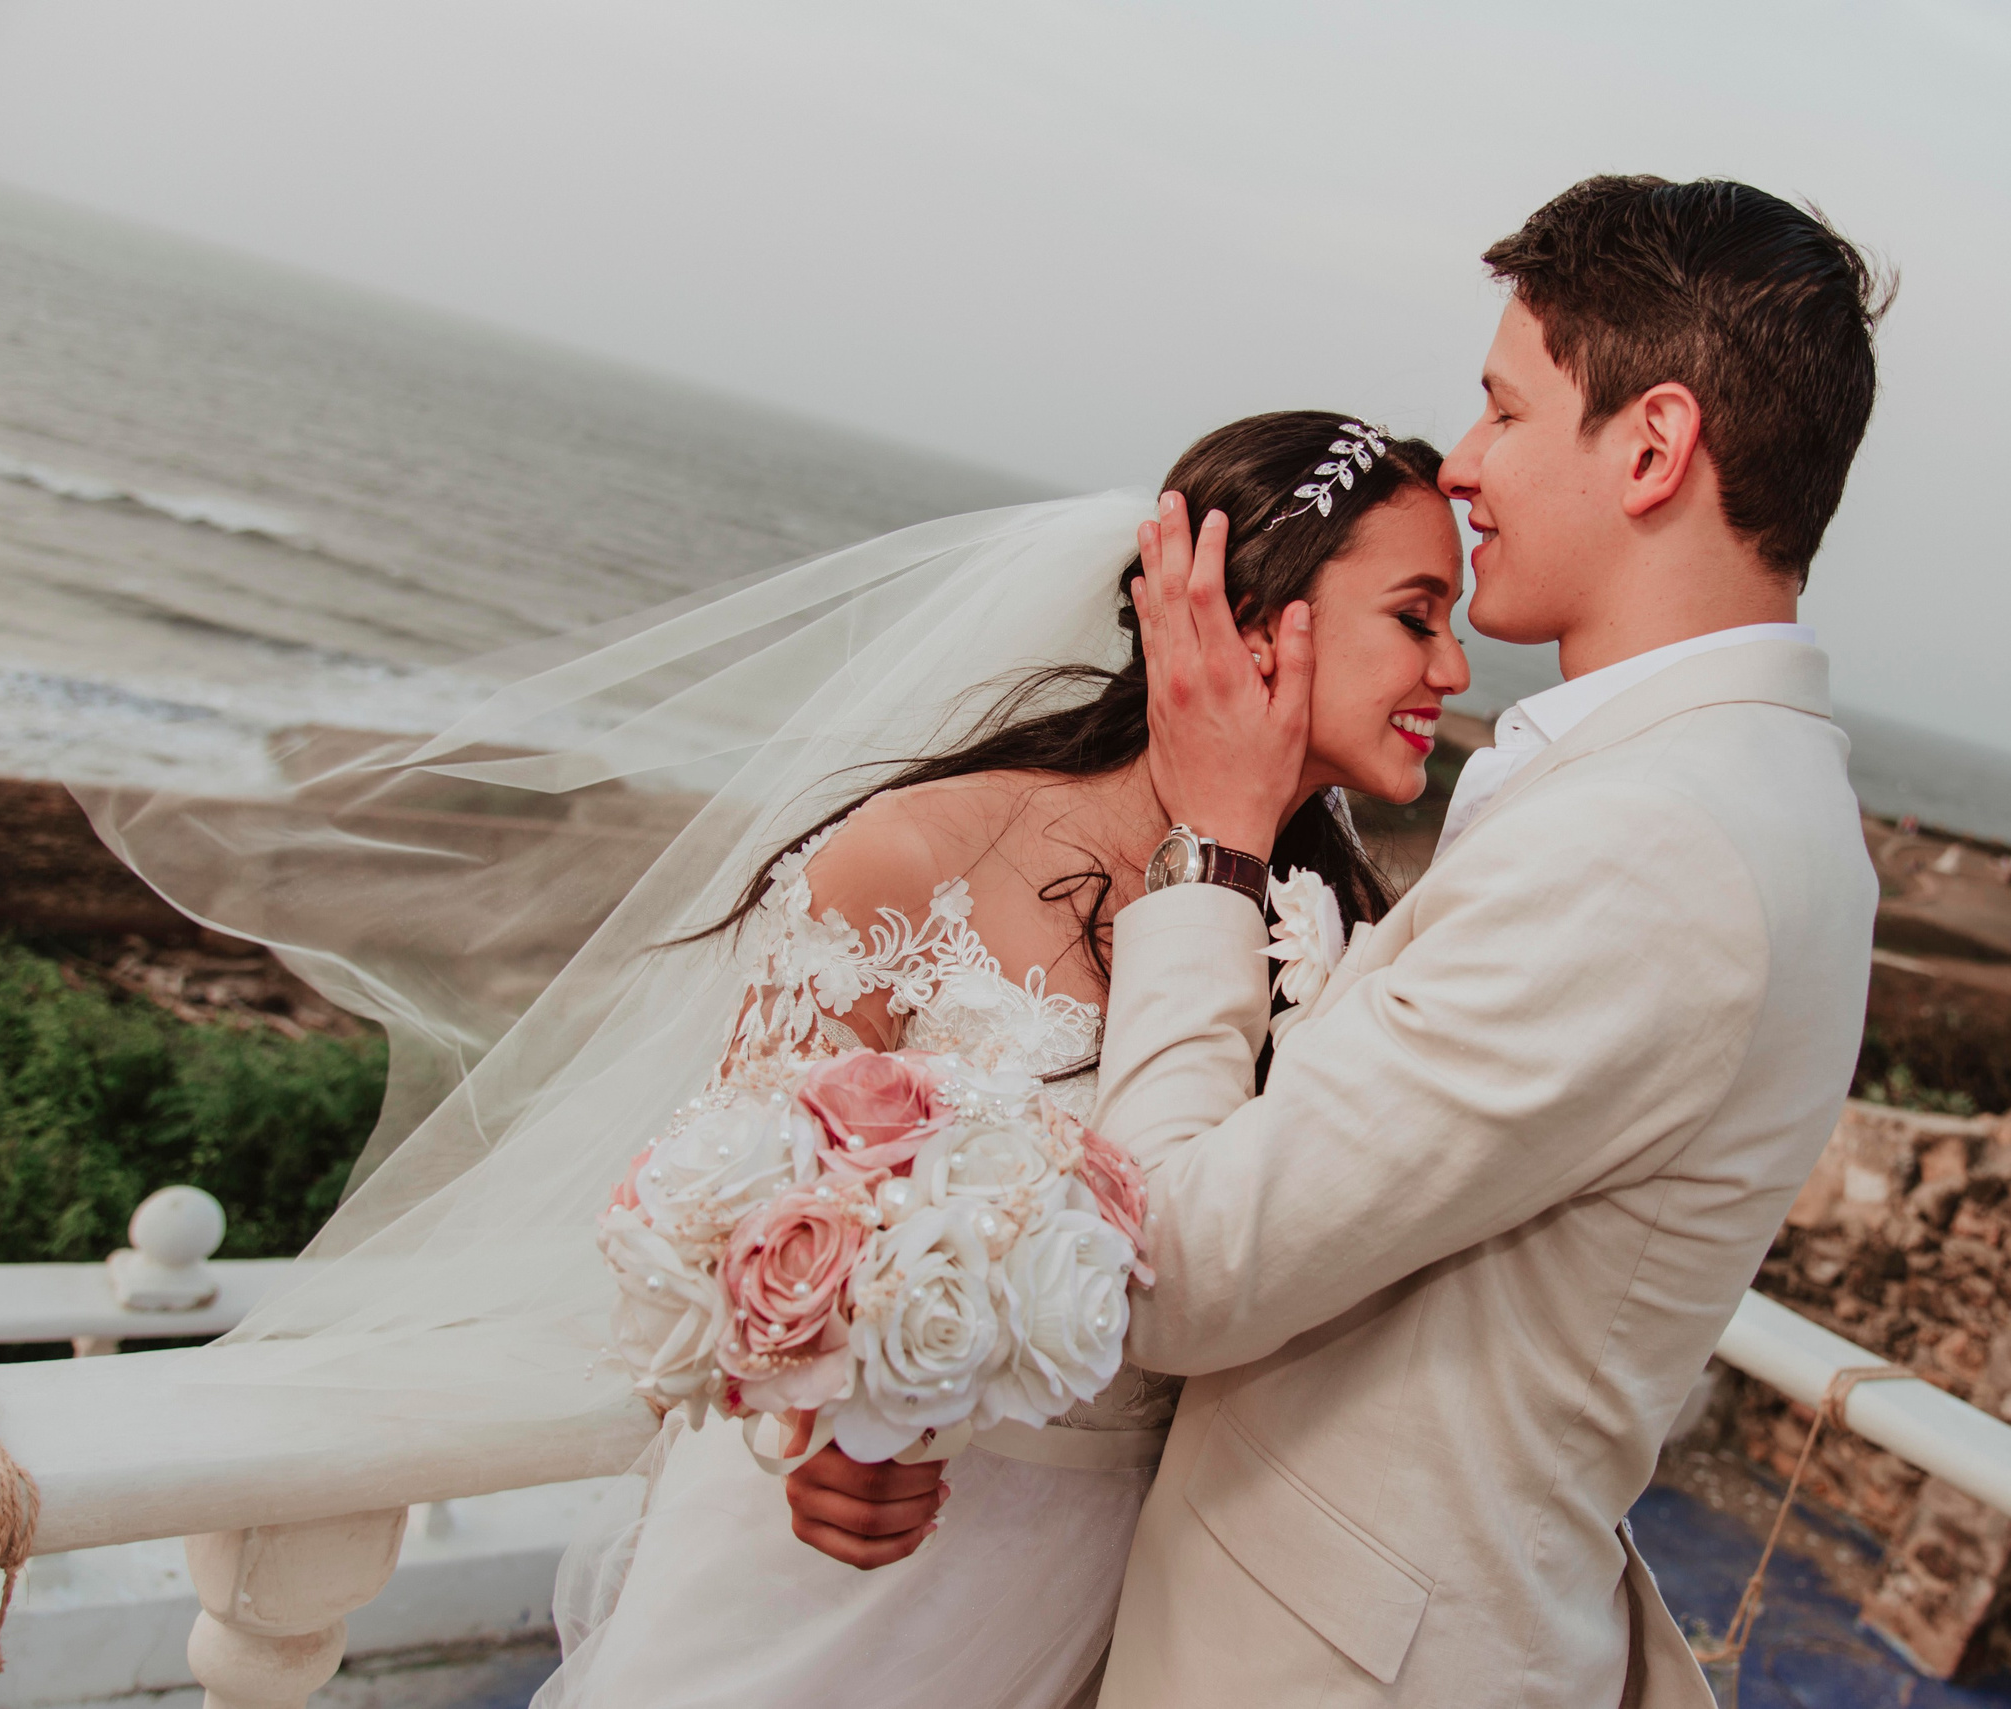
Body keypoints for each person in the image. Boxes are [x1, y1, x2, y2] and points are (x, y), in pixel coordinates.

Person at [797, 173, 1891, 1709]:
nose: (1471, 460)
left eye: (1506, 407)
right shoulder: (1752, 798)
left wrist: (1213, 844)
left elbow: (1172, 1262)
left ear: (1652, 446)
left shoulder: (1654, 839)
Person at [544, 410, 1470, 1707]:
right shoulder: (922, 855)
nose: (1455, 666)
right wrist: (808, 1428)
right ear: (1253, 617)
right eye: (1418, 616)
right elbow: (715, 1221)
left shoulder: (1345, 941)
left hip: (1096, 1592)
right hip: (828, 1574)